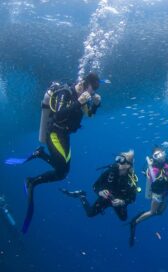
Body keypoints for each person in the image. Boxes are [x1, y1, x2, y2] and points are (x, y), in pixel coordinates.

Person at [5, 72, 102, 233]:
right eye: (94, 87)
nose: (94, 91)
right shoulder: (66, 92)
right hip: (54, 133)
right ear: (85, 83)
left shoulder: (83, 96)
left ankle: (39, 157)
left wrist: (96, 105)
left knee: (63, 172)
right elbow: (58, 115)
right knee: (62, 167)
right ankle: (32, 181)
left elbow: (90, 114)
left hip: (65, 136)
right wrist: (79, 102)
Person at [60, 150, 140, 221]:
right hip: (106, 197)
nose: (118, 162)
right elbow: (95, 186)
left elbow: (132, 199)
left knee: (123, 218)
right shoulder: (110, 172)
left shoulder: (132, 179)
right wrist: (100, 192)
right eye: (118, 158)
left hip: (118, 201)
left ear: (128, 165)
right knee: (90, 213)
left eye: (122, 160)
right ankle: (81, 196)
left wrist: (122, 202)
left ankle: (118, 203)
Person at [129, 146, 168, 247]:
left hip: (166, 193)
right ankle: (135, 222)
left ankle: (142, 214)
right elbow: (153, 179)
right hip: (158, 194)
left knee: (159, 213)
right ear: (154, 157)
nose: (160, 156)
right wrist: (150, 166)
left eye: (162, 153)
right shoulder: (154, 168)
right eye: (157, 155)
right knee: (152, 212)